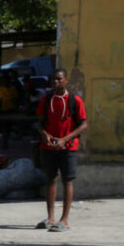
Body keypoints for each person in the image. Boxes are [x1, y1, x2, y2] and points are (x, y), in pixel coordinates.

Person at [35, 69, 87, 232]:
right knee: (50, 179)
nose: (55, 82)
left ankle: (64, 220)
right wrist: (45, 135)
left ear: (66, 81)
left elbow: (83, 124)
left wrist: (66, 139)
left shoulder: (74, 100)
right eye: (53, 80)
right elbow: (40, 123)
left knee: (67, 180)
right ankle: (50, 217)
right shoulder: (47, 99)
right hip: (48, 147)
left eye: (59, 79)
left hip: (68, 147)